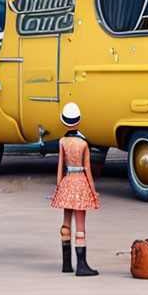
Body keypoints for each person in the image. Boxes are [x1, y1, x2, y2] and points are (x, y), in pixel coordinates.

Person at [51, 102, 99, 276]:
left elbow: (59, 167)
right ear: (78, 121)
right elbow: (88, 169)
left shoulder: (62, 141)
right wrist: (93, 192)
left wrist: (59, 187)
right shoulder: (83, 144)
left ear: (64, 121)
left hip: (67, 182)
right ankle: (81, 265)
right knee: (80, 225)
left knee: (66, 221)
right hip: (80, 183)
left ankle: (66, 264)